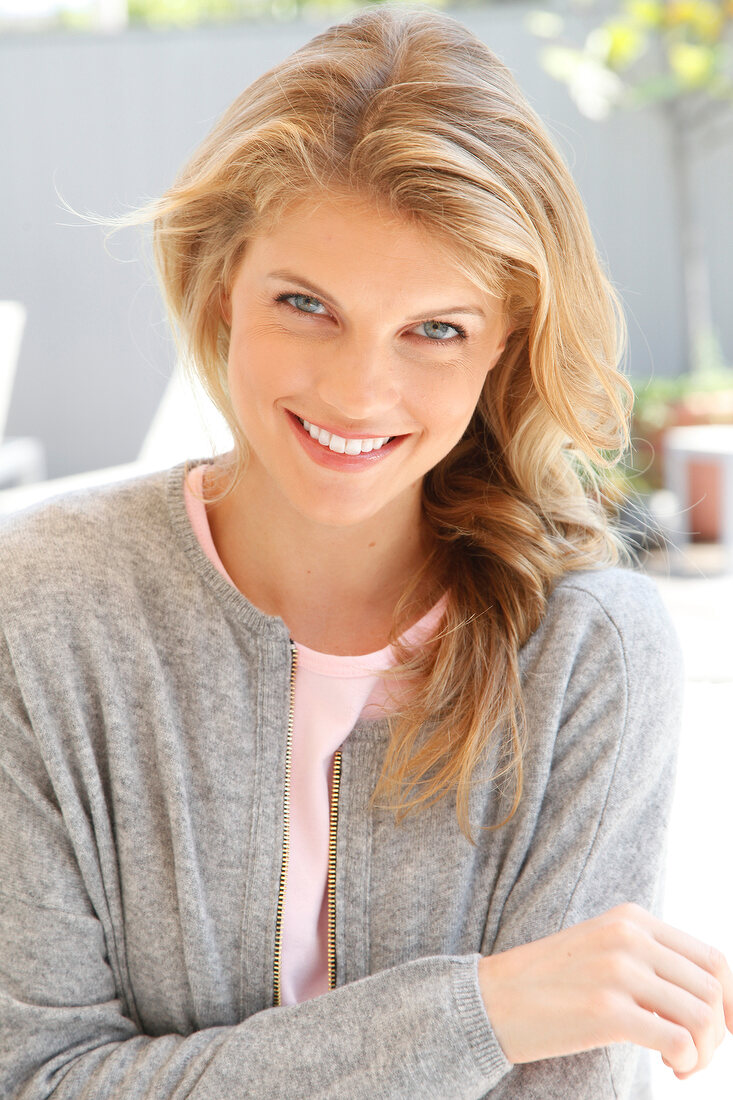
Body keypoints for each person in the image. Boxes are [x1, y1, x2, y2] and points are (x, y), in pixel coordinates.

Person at [0, 6, 730, 1098]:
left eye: (435, 328)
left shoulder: (590, 651)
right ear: (218, 289)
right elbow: (37, 1078)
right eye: (306, 304)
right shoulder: (42, 607)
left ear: (504, 348)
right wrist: (485, 1010)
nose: (356, 392)